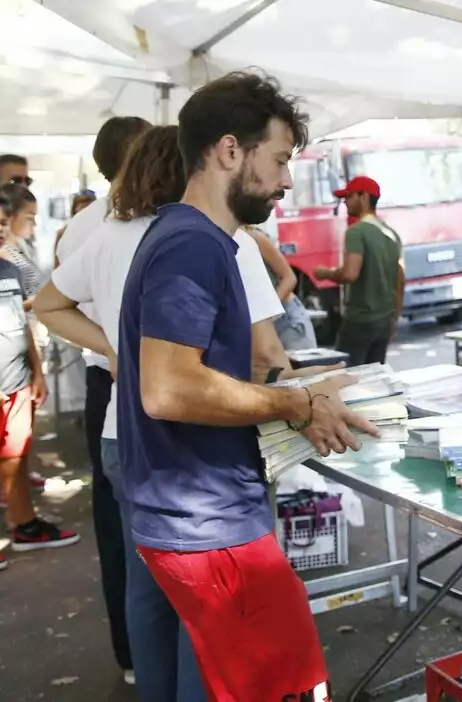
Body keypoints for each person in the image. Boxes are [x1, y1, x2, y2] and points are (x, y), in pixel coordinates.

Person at [116, 71, 373, 700]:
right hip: (210, 524)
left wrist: (300, 387)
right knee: (285, 685)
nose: (287, 180)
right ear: (230, 150)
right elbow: (168, 389)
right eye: (281, 159)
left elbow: (203, 372)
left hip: (192, 513)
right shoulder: (193, 246)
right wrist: (292, 403)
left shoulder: (195, 240)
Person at [49, 114, 150, 686]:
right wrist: (116, 348)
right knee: (135, 519)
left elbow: (57, 306)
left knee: (118, 521)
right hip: (117, 382)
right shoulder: (110, 224)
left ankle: (134, 654)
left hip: (105, 381)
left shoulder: (83, 227)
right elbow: (52, 303)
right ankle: (145, 653)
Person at [0, 190, 77, 575]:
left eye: (2, 223)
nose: (1, 231)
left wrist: (36, 371)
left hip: (15, 383)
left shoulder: (10, 268)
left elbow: (22, 323)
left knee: (14, 458)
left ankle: (24, 525)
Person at [314, 175, 404, 365]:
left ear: (364, 197)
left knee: (346, 376)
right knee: (374, 378)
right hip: (385, 319)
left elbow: (349, 273)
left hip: (360, 320)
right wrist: (395, 316)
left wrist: (325, 273)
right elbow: (400, 279)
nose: (345, 202)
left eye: (349, 196)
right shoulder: (390, 233)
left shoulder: (356, 231)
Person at [244, 224, 318, 351]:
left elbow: (289, 278)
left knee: (302, 368)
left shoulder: (254, 238)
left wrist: (267, 314)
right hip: (258, 324)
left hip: (285, 319)